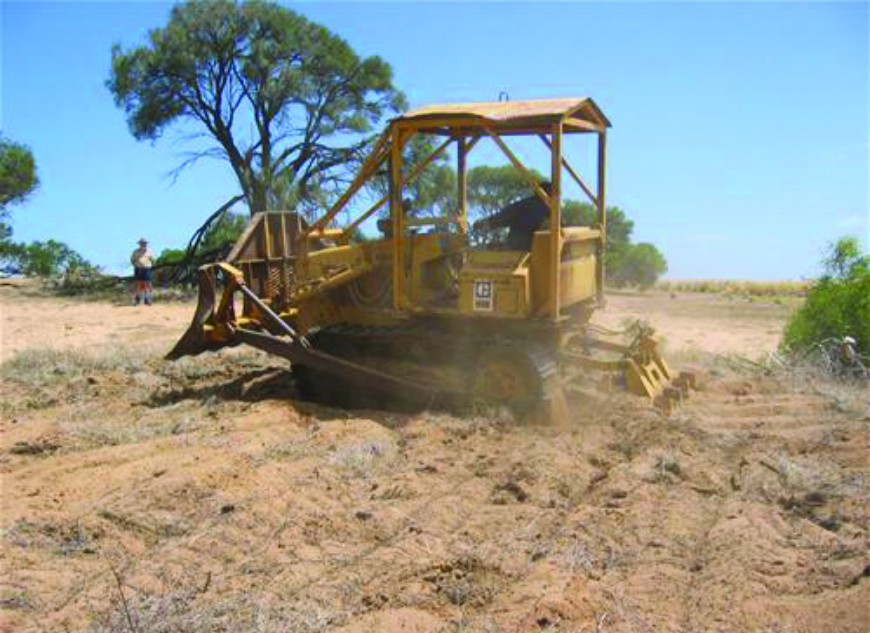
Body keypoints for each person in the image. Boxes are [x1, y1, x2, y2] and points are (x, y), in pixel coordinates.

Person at [473, 182, 553, 251]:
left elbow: (503, 217)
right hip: (542, 251)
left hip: (520, 247)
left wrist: (482, 224)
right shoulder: (553, 212)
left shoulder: (527, 204)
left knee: (477, 250)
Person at [130, 238, 154, 306]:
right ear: (139, 244)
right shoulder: (135, 251)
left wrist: (150, 266)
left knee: (148, 284)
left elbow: (152, 260)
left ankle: (148, 299)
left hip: (147, 268)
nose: (143, 244)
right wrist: (136, 265)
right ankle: (137, 299)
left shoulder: (149, 251)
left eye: (144, 243)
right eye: (142, 243)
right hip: (138, 268)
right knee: (138, 284)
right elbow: (132, 260)